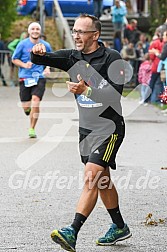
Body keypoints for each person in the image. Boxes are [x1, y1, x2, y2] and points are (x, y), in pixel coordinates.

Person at [31, 14, 132, 251]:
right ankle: (119, 226)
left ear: (95, 35)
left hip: (109, 128)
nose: (76, 35)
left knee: (91, 176)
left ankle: (72, 230)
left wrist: (86, 91)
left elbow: (114, 96)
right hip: (86, 131)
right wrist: (37, 51)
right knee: (102, 179)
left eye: (81, 32)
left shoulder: (111, 58)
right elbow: (40, 59)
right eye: (74, 31)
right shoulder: (71, 56)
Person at [12, 22, 52, 138]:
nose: (35, 31)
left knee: (36, 101)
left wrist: (48, 68)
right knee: (26, 105)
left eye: (37, 29)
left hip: (39, 77)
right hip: (25, 77)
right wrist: (24, 65)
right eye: (33, 29)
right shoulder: (22, 44)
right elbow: (14, 59)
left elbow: (51, 59)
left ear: (40, 31)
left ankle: (32, 128)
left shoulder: (46, 45)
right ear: (29, 31)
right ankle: (27, 109)